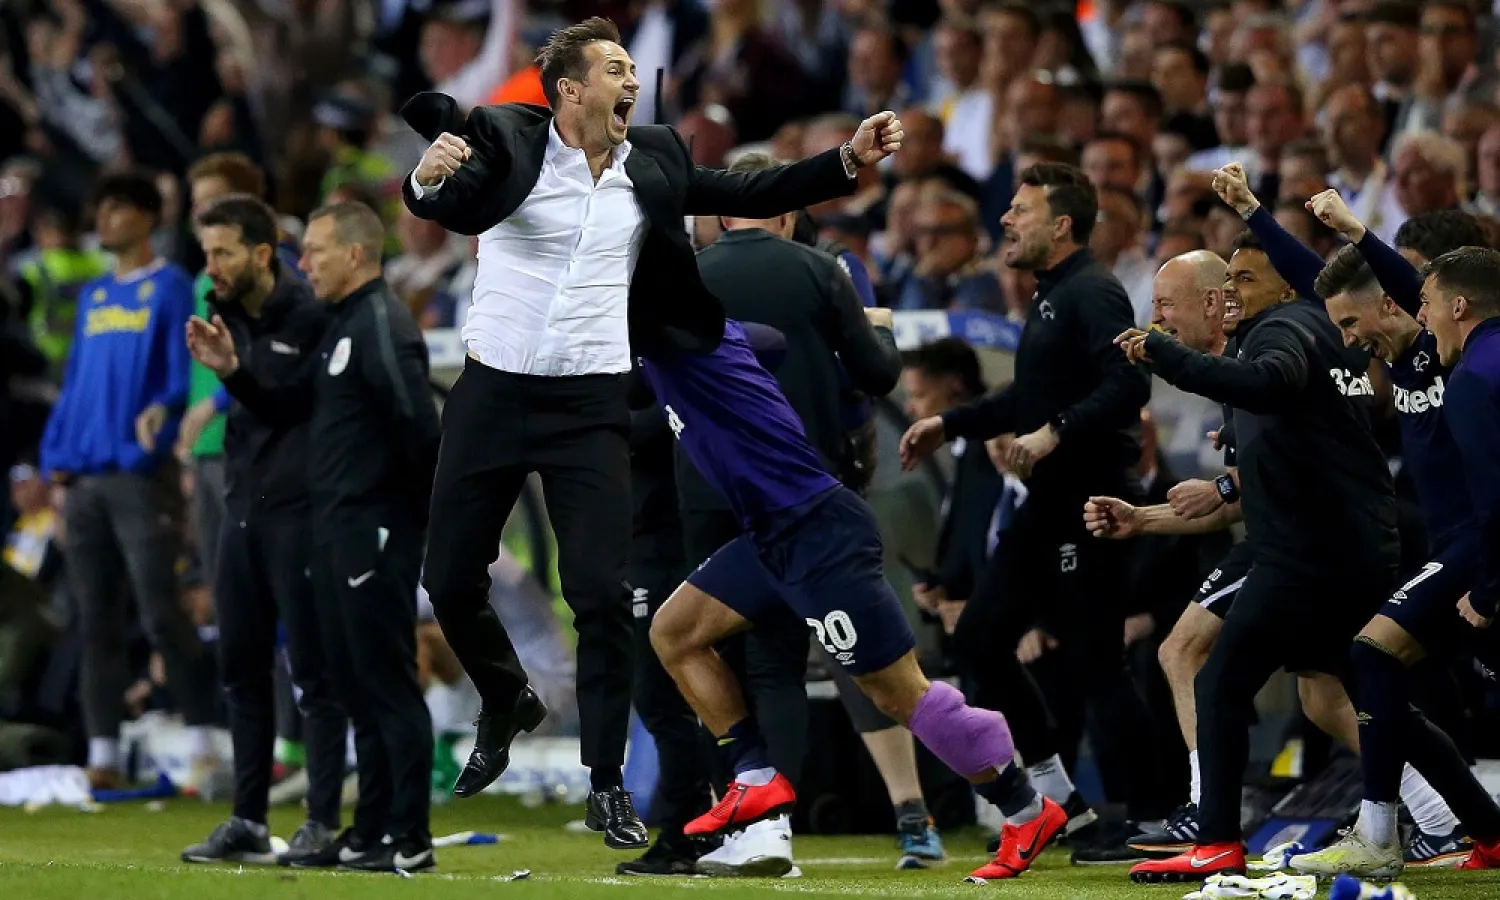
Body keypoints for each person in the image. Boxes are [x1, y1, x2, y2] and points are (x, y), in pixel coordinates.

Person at [399, 15, 904, 849]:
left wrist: (845, 160)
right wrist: (425, 177)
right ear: (571, 90)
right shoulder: (509, 138)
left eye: (634, 69)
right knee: (451, 578)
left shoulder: (657, 158)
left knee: (600, 596)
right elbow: (455, 205)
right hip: (493, 392)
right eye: (616, 69)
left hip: (591, 399)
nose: (633, 82)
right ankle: (504, 695)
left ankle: (606, 785)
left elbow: (744, 193)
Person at [640, 320, 1067, 883]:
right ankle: (755, 776)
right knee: (675, 632)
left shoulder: (684, 342)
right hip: (771, 535)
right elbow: (773, 340)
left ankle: (1026, 808)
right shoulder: (673, 350)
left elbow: (756, 345)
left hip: (818, 533)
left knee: (899, 696)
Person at [1115, 222, 1403, 883]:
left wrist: (1168, 363)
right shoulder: (1270, 345)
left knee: (1205, 666)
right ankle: (1459, 816)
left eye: (1246, 279)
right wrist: (1144, 519)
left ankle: (1210, 825)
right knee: (1334, 693)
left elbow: (1275, 448)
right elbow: (1277, 470)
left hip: (1305, 549)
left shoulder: (1276, 338)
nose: (1156, 318)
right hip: (1322, 541)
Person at [899, 163, 1152, 839]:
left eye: (1020, 209)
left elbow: (1128, 386)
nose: (1005, 220)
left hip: (1090, 503)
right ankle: (1056, 800)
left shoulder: (1093, 292)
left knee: (1096, 663)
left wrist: (1055, 432)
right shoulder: (1049, 298)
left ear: (1062, 224)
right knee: (980, 640)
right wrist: (947, 424)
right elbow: (1025, 399)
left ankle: (1153, 814)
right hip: (1048, 508)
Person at [187, 202, 442, 872]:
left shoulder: (383, 323)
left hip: (371, 529)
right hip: (335, 530)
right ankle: (370, 829)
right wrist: (233, 373)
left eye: (317, 252)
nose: (306, 265)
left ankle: (408, 837)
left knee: (384, 684)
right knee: (358, 685)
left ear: (355, 255)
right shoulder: (341, 326)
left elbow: (420, 430)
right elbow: (292, 405)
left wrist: (403, 519)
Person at [177, 196, 349, 868]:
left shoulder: (308, 315)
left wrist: (231, 375)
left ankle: (321, 822)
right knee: (241, 670)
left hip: (300, 517)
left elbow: (286, 403)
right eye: (205, 253)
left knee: (314, 674)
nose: (210, 266)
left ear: (259, 251)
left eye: (221, 253)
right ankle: (248, 819)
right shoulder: (230, 315)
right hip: (243, 512)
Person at [39, 171, 220, 792]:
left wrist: (167, 411)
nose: (106, 218)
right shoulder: (92, 296)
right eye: (102, 208)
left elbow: (181, 367)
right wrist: (54, 459)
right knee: (94, 619)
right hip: (86, 476)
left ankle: (203, 744)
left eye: (118, 207)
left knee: (161, 610)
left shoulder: (170, 287)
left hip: (142, 476)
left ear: (148, 217)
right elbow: (76, 384)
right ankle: (104, 752)